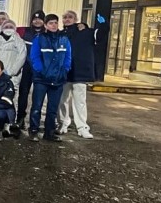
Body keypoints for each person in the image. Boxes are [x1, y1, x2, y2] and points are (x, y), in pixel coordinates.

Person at [58, 10, 106, 139]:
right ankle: (63, 123)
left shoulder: (86, 32)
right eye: (65, 17)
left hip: (80, 71)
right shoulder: (60, 35)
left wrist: (102, 24)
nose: (67, 19)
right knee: (62, 100)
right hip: (64, 73)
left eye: (70, 17)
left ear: (76, 19)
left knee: (80, 101)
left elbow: (100, 36)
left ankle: (82, 127)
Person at [29, 13, 72, 142]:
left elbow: (68, 57)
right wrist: (40, 70)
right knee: (37, 106)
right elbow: (34, 57)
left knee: (53, 108)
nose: (54, 25)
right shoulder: (39, 39)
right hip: (41, 79)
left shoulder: (64, 39)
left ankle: (49, 132)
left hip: (58, 79)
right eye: (51, 23)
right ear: (46, 25)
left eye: (55, 22)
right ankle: (34, 131)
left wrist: (65, 70)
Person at [0, 19, 27, 107]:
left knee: (10, 100)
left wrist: (11, 72)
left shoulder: (19, 42)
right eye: (6, 27)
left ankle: (10, 119)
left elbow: (21, 58)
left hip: (12, 77)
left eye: (11, 27)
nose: (8, 28)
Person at [17, 10, 45, 128]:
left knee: (37, 95)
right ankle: (20, 118)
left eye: (40, 19)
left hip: (40, 69)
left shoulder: (47, 34)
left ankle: (35, 122)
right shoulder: (25, 32)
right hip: (27, 67)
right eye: (35, 19)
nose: (37, 21)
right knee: (23, 93)